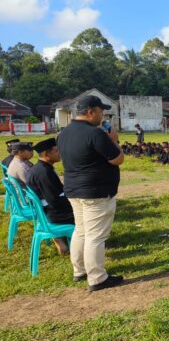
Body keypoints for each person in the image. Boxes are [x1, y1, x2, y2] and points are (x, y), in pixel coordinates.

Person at [57, 95, 125, 292]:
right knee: (95, 236)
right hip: (95, 192)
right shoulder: (95, 134)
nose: (102, 115)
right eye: (101, 111)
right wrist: (114, 141)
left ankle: (79, 270)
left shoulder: (63, 134)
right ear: (91, 111)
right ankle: (97, 278)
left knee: (81, 230)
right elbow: (117, 159)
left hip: (73, 189)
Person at [26, 138, 72, 255]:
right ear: (46, 154)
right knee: (86, 213)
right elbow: (54, 200)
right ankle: (88, 246)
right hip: (53, 214)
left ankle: (62, 241)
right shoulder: (43, 172)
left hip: (48, 212)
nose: (60, 153)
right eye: (56, 151)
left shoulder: (42, 168)